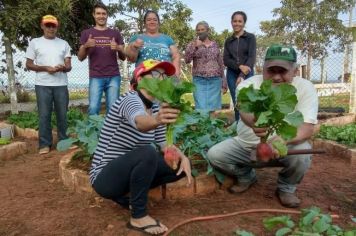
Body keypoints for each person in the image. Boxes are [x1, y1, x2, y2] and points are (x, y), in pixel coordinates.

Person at [207, 44, 318, 208]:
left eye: (283, 71)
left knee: (302, 155)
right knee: (215, 155)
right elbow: (244, 112)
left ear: (295, 71)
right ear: (262, 68)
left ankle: (286, 188)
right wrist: (254, 122)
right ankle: (246, 176)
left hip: (283, 148)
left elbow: (307, 127)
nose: (277, 77)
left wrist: (282, 140)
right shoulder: (247, 85)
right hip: (246, 147)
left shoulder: (306, 88)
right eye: (271, 71)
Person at [89, 59, 192, 235]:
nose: (162, 78)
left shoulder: (155, 108)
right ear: (140, 79)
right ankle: (138, 216)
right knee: (147, 153)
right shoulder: (130, 99)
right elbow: (139, 122)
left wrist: (183, 157)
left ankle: (126, 197)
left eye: (164, 75)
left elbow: (164, 144)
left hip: (125, 172)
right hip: (104, 177)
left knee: (177, 169)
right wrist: (158, 119)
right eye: (155, 74)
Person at [25, 15, 72, 155]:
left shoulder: (64, 43)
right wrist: (46, 68)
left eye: (53, 26)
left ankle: (64, 142)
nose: (50, 28)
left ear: (57, 26)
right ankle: (44, 144)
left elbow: (69, 66)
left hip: (61, 84)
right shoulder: (35, 42)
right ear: (42, 26)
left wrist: (62, 67)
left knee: (62, 115)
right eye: (48, 25)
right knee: (44, 115)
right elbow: (29, 64)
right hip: (42, 84)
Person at [78, 2, 126, 115]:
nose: (101, 16)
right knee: (93, 108)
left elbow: (123, 57)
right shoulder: (87, 33)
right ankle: (93, 132)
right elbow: (80, 57)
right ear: (93, 15)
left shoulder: (115, 33)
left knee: (113, 110)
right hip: (96, 76)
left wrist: (119, 48)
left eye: (104, 13)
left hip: (114, 76)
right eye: (98, 13)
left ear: (107, 15)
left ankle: (110, 132)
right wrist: (86, 46)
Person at [184, 21, 227, 111]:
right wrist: (195, 46)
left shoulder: (215, 45)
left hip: (215, 80)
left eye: (202, 29)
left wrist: (224, 80)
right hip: (199, 80)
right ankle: (202, 125)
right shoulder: (192, 44)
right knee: (200, 108)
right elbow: (187, 60)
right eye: (198, 30)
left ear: (208, 31)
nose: (200, 32)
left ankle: (213, 125)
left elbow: (220, 63)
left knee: (214, 109)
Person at [125, 10, 180, 77]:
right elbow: (131, 59)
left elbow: (176, 56)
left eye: (155, 20)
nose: (152, 22)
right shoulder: (136, 38)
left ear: (158, 23)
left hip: (166, 77)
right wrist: (134, 47)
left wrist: (176, 76)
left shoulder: (167, 39)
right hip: (144, 77)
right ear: (144, 23)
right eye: (149, 20)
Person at [224, 11, 256, 121]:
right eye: (234, 21)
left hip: (247, 73)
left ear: (244, 23)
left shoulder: (250, 38)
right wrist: (239, 67)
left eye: (240, 21)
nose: (237, 23)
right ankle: (239, 127)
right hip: (232, 73)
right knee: (237, 101)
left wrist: (242, 74)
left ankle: (250, 129)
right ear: (231, 22)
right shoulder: (228, 41)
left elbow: (251, 57)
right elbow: (226, 60)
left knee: (248, 101)